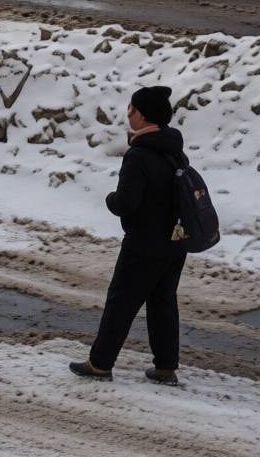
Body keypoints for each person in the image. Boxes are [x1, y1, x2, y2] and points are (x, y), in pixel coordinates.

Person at [71, 86, 189, 386]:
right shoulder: (175, 150)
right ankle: (165, 367)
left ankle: (100, 364)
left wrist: (110, 198)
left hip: (144, 243)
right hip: (175, 242)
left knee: (121, 302)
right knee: (163, 302)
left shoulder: (139, 155)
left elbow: (126, 203)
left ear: (142, 114)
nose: (128, 114)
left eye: (131, 109)